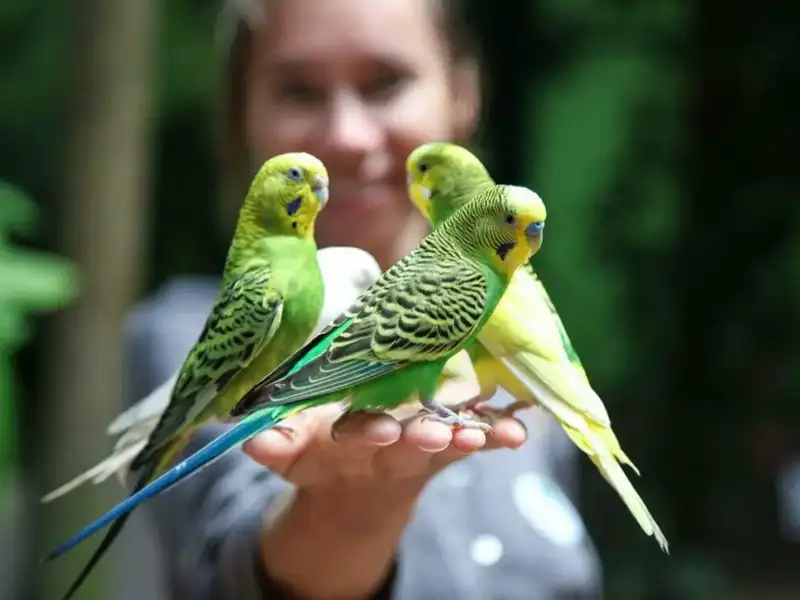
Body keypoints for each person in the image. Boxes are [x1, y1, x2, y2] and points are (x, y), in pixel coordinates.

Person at [119, 0, 603, 598]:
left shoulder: (516, 336)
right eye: (298, 91)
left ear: (463, 94)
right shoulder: (185, 325)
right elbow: (229, 550)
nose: (345, 137)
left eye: (386, 83)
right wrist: (353, 508)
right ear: (241, 114)